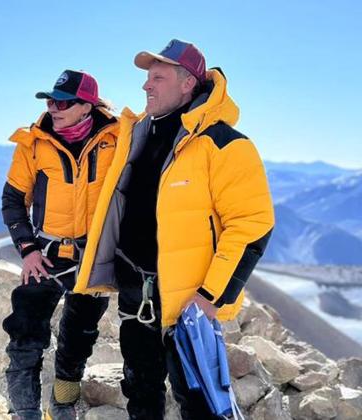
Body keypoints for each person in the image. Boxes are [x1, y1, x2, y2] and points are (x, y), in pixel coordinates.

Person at [74, 40, 275, 419]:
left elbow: (252, 225)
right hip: (136, 292)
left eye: (157, 78)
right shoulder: (136, 135)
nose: (146, 87)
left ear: (187, 84)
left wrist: (210, 296)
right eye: (147, 79)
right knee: (140, 389)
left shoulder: (224, 145)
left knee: (198, 402)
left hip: (187, 303)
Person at [1, 69, 119, 419]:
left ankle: (63, 405)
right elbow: (12, 201)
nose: (54, 107)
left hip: (94, 255)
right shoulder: (33, 142)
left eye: (63, 102)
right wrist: (27, 249)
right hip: (46, 253)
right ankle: (24, 411)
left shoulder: (118, 137)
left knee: (79, 336)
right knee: (25, 330)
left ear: (87, 106)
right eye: (51, 100)